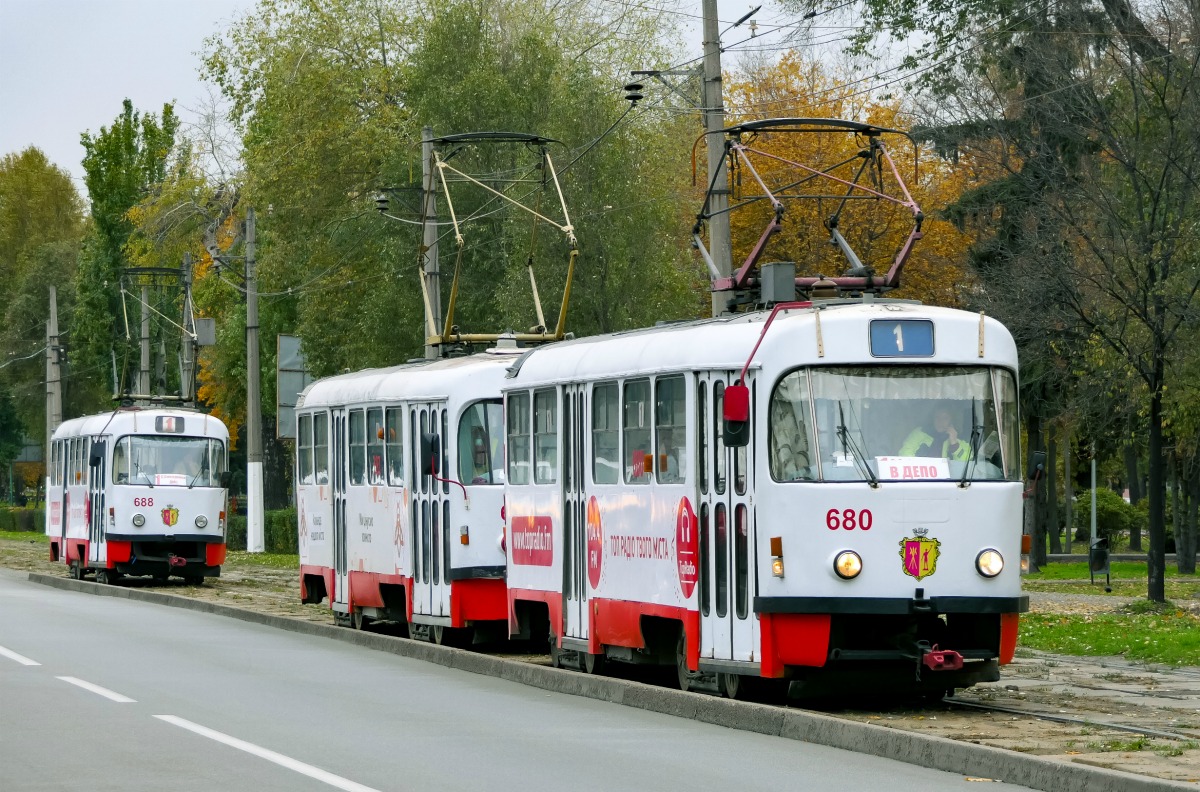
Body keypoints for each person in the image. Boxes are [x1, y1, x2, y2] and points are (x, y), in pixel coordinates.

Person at [899, 408, 971, 461]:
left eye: (945, 418)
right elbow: (905, 454)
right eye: (937, 417)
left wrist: (954, 443)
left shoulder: (959, 439)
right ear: (932, 419)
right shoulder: (920, 432)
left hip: (950, 480)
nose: (940, 421)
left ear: (951, 421)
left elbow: (966, 464)